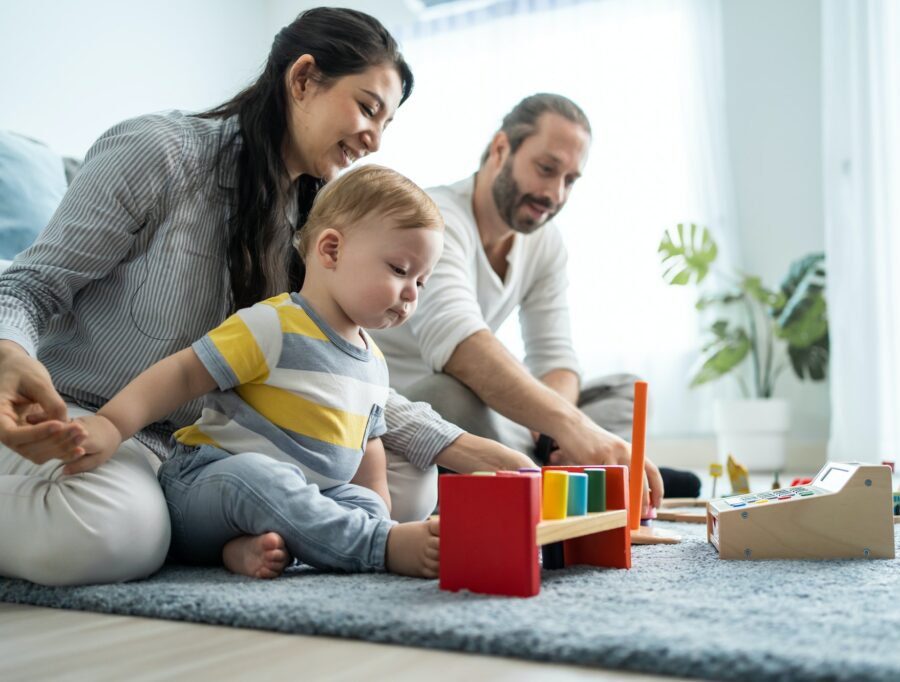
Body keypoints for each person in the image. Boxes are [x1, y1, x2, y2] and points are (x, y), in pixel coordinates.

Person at [0, 7, 531, 587]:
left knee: (408, 482)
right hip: (97, 418)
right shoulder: (159, 152)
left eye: (387, 124)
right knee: (116, 535)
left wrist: (469, 450)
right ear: (303, 79)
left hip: (206, 446)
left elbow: (343, 379)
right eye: (367, 108)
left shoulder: (313, 223)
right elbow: (31, 284)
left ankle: (233, 531)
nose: (375, 140)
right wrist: (9, 354)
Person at [74, 165, 445, 579]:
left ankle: (250, 549)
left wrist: (378, 514)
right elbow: (182, 374)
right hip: (208, 485)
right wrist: (110, 424)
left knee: (366, 504)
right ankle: (373, 547)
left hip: (302, 497)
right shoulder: (273, 324)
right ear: (331, 251)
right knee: (263, 477)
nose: (411, 294)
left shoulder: (374, 362)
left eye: (422, 282)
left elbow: (368, 445)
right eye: (399, 270)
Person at [372, 94, 667, 509]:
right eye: (546, 169)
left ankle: (545, 474)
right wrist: (573, 428)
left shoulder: (545, 244)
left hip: (502, 428)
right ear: (500, 149)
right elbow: (460, 346)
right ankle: (571, 483)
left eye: (570, 180)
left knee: (627, 393)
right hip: (426, 413)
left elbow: (557, 359)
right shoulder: (434, 218)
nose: (554, 193)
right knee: (450, 392)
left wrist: (556, 434)